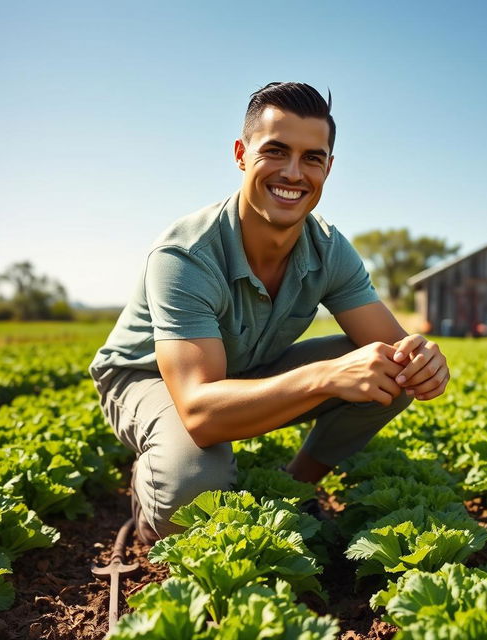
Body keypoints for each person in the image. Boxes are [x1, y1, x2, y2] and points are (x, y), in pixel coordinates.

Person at [89, 82, 449, 544]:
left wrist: (424, 365)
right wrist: (326, 377)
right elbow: (200, 411)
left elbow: (399, 352)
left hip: (240, 369)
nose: (293, 173)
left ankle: (294, 485)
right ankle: (151, 486)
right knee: (192, 489)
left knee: (389, 371)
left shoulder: (329, 248)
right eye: (275, 152)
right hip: (149, 377)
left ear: (329, 167)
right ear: (241, 153)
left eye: (312, 158)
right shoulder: (186, 254)